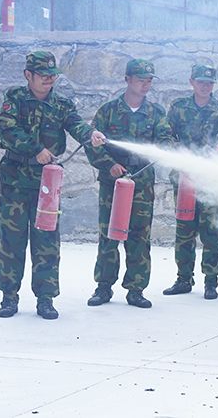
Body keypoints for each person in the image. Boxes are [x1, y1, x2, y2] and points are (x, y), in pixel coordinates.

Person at [0, 50, 106, 320]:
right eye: (43, 75)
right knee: (11, 240)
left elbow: (76, 124)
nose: (49, 79)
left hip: (47, 183)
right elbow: (7, 131)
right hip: (15, 181)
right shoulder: (15, 98)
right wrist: (36, 150)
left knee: (46, 241)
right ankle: (9, 296)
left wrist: (91, 134)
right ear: (28, 75)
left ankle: (45, 298)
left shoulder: (62, 104)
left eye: (52, 75)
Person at [85, 59, 172, 309]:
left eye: (149, 80)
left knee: (139, 237)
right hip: (112, 184)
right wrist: (109, 165)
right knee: (109, 235)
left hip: (142, 183)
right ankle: (103, 287)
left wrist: (165, 148)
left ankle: (136, 289)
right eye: (141, 79)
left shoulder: (156, 113)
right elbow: (93, 144)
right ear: (127, 79)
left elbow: (165, 140)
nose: (145, 84)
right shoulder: (108, 111)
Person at [163, 64, 218, 300]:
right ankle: (183, 278)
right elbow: (167, 135)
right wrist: (180, 155)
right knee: (184, 230)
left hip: (211, 180)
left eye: (210, 83)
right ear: (192, 82)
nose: (205, 86)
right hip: (184, 178)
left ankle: (211, 281)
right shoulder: (178, 108)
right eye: (201, 81)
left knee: (211, 231)